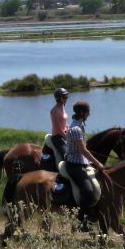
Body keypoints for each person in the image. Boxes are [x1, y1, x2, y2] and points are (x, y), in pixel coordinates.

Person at [65, 99, 104, 228]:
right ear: (82, 113)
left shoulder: (80, 126)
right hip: (74, 164)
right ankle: (81, 222)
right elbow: (83, 150)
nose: (89, 115)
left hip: (82, 162)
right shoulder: (76, 129)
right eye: (88, 112)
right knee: (87, 191)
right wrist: (97, 163)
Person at [49, 87, 69, 161]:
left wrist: (70, 130)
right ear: (59, 98)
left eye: (67, 97)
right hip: (57, 137)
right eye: (64, 97)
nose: (66, 98)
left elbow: (65, 122)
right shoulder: (54, 111)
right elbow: (58, 129)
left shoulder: (62, 107)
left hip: (65, 134)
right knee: (67, 155)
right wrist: (67, 138)